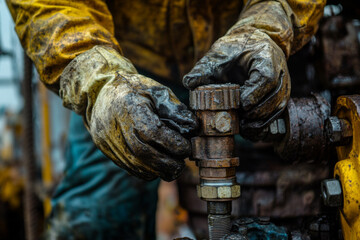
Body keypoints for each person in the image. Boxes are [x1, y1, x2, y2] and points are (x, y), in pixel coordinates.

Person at [6, 0, 326, 239]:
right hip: (125, 68)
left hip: (250, 60)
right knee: (97, 218)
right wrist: (99, 82)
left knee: (290, 205)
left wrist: (270, 25)